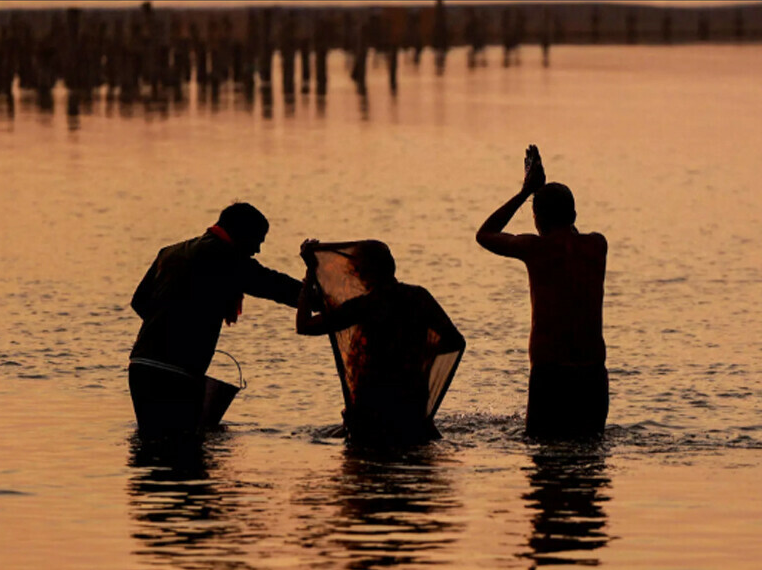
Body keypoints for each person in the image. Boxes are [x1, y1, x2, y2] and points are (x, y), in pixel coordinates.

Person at [129, 202, 301, 437]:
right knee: (184, 454)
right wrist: (326, 299)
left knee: (154, 448)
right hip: (176, 375)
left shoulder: (169, 253)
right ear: (241, 233)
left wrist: (172, 321)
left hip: (140, 367)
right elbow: (275, 286)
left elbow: (140, 301)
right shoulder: (225, 257)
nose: (257, 250)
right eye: (257, 241)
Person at [476, 145, 608, 439]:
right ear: (574, 214)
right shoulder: (598, 246)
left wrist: (526, 192)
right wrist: (545, 194)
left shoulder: (534, 249)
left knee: (543, 458)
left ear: (536, 219)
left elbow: (484, 234)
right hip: (593, 373)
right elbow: (568, 233)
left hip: (550, 373)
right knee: (590, 461)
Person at [296, 240, 465, 445]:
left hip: (372, 403)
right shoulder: (418, 297)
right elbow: (454, 341)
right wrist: (420, 356)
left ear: (363, 272)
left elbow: (305, 326)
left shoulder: (365, 305)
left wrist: (310, 277)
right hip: (412, 399)